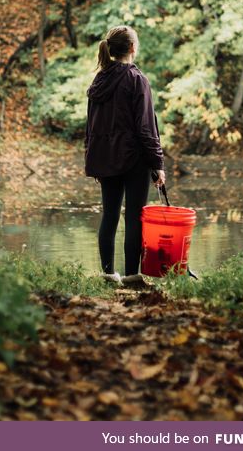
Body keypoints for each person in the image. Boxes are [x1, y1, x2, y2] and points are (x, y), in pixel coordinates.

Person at [84, 25, 166, 287]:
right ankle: (132, 276)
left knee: (109, 215)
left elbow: (91, 126)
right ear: (132, 48)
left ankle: (108, 275)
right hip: (133, 159)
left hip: (105, 157)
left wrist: (93, 158)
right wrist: (157, 163)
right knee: (134, 217)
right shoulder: (136, 79)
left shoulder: (99, 80)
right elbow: (146, 127)